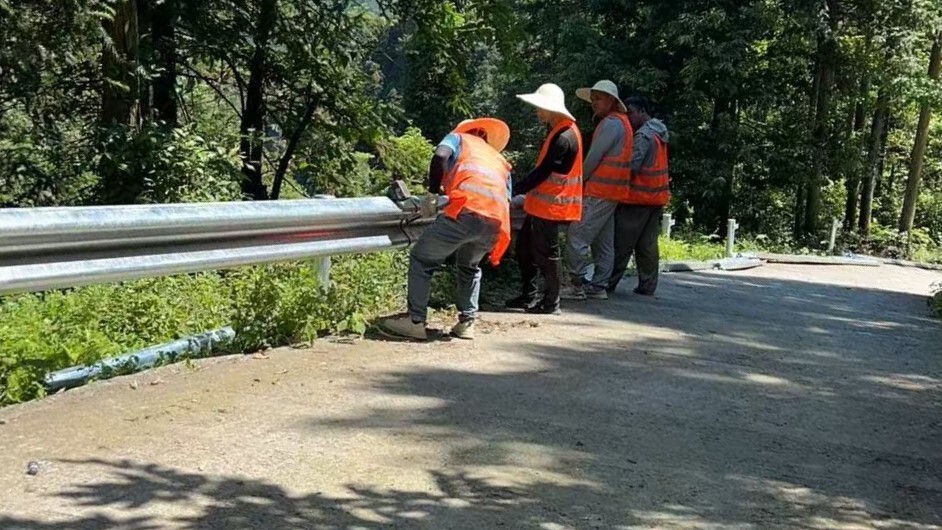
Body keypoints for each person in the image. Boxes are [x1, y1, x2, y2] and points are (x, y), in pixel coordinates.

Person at [379, 118, 513, 341]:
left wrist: (432, 193)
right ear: (485, 136)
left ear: (466, 130)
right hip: (495, 221)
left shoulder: (458, 139)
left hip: (466, 212)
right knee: (469, 266)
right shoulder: (499, 159)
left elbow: (440, 156)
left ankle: (415, 322)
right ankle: (467, 323)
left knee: (422, 259)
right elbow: (506, 197)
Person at [506, 83, 583, 314]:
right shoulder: (559, 131)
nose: (537, 111)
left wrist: (515, 190)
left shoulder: (564, 137)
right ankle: (529, 296)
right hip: (540, 205)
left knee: (547, 256)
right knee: (525, 250)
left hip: (551, 207)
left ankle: (551, 303)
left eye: (540, 107)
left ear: (551, 108)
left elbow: (543, 172)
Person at [561, 80, 633, 301]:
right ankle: (599, 285)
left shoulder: (610, 124)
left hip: (599, 191)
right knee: (603, 242)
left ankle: (576, 284)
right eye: (592, 99)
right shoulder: (622, 123)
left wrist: (577, 182)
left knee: (576, 236)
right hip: (612, 192)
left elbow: (593, 158)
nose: (594, 102)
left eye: (598, 98)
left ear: (611, 100)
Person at [607, 96, 670, 296]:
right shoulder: (659, 132)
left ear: (643, 111)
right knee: (647, 245)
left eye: (631, 113)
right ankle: (647, 285)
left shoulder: (643, 136)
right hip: (655, 198)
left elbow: (632, 166)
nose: (628, 118)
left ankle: (607, 283)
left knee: (621, 243)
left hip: (636, 199)